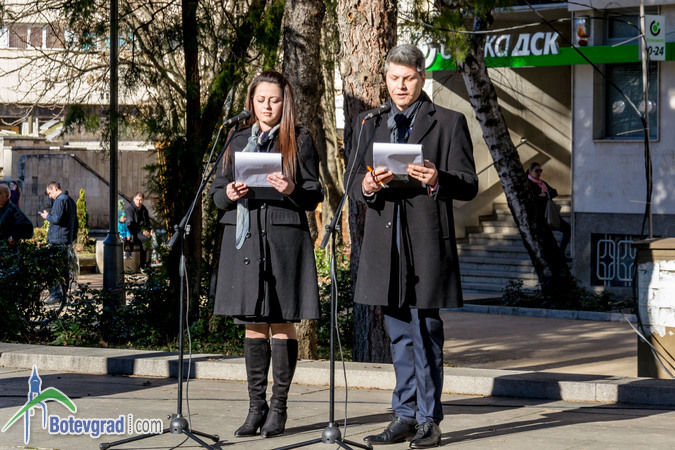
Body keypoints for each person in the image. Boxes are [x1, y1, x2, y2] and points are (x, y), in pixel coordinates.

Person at [346, 45, 478, 449]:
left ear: (421, 78)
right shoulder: (370, 122)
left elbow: (469, 184)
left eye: (408, 78)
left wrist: (438, 178)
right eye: (393, 78)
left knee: (425, 332)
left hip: (426, 243)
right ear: (385, 80)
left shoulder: (449, 122)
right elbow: (354, 184)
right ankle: (403, 416)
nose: (400, 86)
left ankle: (428, 420)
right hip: (385, 245)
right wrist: (367, 185)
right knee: (399, 335)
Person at [210, 71, 323, 439]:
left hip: (283, 240)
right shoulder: (236, 138)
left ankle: (279, 407)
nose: (267, 106)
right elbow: (216, 194)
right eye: (261, 100)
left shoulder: (299, 139)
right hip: (245, 241)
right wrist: (230, 193)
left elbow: (314, 194)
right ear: (251, 102)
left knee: (281, 320)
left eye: (274, 100)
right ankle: (255, 407)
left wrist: (291, 188)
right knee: (254, 322)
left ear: (284, 102)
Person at [39, 182, 79, 303]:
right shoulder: (71, 201)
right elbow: (75, 222)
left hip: (57, 239)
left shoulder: (60, 200)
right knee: (63, 269)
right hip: (65, 239)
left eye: (50, 193)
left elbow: (56, 219)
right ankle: (65, 295)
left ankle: (56, 295)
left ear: (55, 189)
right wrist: (71, 238)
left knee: (52, 268)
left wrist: (47, 216)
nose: (50, 196)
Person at [526, 162, 571, 255]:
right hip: (539, 216)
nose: (539, 173)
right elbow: (533, 198)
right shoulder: (528, 184)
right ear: (530, 171)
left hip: (549, 213)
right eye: (537, 171)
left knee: (567, 229)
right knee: (546, 240)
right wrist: (544, 196)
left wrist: (546, 195)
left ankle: (560, 254)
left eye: (540, 171)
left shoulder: (542, 183)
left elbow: (554, 192)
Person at [124, 192, 154, 270]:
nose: (138, 202)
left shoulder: (144, 209)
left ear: (143, 200)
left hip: (142, 231)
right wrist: (142, 231)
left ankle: (150, 263)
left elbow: (147, 222)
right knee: (145, 240)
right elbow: (130, 224)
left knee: (154, 239)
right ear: (134, 199)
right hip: (132, 233)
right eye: (137, 199)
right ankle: (142, 265)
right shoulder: (129, 209)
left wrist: (151, 229)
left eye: (140, 200)